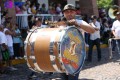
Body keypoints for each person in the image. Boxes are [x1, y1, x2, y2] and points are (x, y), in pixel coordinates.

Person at [59, 4, 95, 80]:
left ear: (75, 13)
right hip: (62, 57)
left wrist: (77, 23)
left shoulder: (80, 22)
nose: (69, 13)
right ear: (64, 13)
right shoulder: (61, 24)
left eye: (71, 11)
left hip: (75, 58)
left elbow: (92, 30)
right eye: (67, 12)